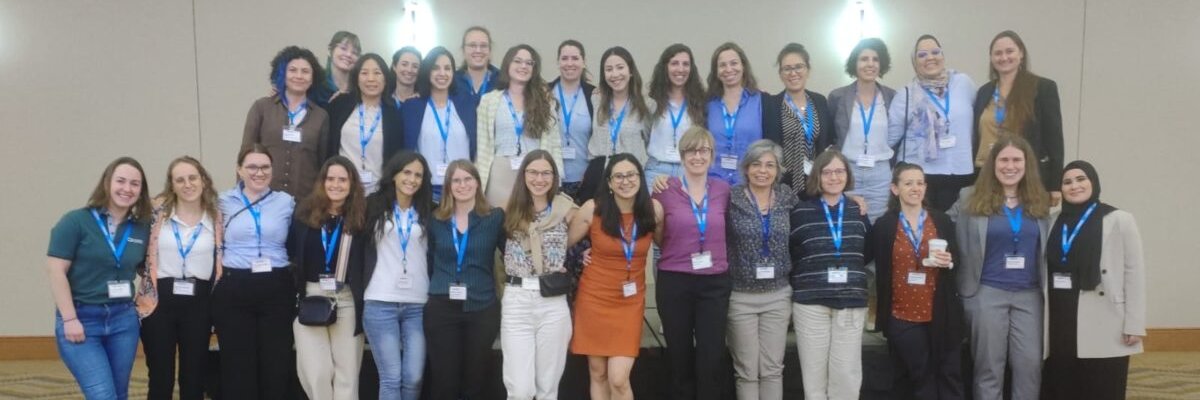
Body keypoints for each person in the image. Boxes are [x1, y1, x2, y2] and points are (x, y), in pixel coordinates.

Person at [948, 135, 1051, 400]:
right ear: (993, 164)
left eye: (1017, 160)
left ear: (1027, 164)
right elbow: (940, 226)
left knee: (1030, 366)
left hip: (1030, 296)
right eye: (1004, 159)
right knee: (988, 368)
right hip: (986, 292)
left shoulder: (1041, 201)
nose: (1010, 166)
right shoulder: (969, 197)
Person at [48, 157, 152, 400]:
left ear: (141, 191)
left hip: (123, 321)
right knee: (103, 395)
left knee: (119, 393)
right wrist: (70, 318)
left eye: (135, 184)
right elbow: (55, 271)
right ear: (107, 183)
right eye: (121, 181)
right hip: (82, 319)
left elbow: (145, 266)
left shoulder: (141, 228)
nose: (127, 189)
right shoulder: (76, 221)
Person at [1041, 161, 1145, 400]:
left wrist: (1135, 324)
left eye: (1081, 179)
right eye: (1067, 182)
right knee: (1063, 383)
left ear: (1093, 183)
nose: (1074, 186)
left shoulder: (1119, 219)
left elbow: (1134, 273)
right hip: (1060, 317)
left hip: (1104, 317)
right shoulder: (1052, 221)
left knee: (1101, 385)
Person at [568, 154, 664, 400]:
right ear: (609, 183)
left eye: (631, 175)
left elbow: (666, 245)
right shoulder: (593, 208)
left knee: (619, 379)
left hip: (629, 303)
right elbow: (563, 244)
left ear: (640, 178)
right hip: (594, 298)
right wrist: (581, 255)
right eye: (618, 176)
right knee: (598, 373)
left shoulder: (653, 211)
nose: (625, 181)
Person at [649, 127, 732, 400]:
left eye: (704, 150)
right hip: (675, 282)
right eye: (691, 151)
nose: (698, 156)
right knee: (679, 356)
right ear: (682, 156)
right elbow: (656, 232)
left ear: (712, 154)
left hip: (714, 283)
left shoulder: (723, 190)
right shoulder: (664, 189)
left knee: (711, 357)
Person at [871, 163, 964, 399]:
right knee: (920, 375)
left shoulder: (941, 221)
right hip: (902, 315)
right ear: (895, 188)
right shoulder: (884, 226)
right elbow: (867, 258)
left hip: (940, 313)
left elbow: (958, 260)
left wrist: (949, 261)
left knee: (947, 373)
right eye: (908, 183)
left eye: (920, 183)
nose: (916, 188)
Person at [212, 144, 298, 399]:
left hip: (276, 287)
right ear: (239, 170)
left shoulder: (287, 202)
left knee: (276, 361)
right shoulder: (222, 202)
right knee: (238, 363)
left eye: (264, 167)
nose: (258, 173)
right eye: (251, 167)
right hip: (234, 287)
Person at [788, 149, 873, 400]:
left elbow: (866, 252)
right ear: (817, 176)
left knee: (846, 374)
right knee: (813, 377)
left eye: (839, 171)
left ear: (847, 175)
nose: (834, 177)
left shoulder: (859, 211)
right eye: (827, 172)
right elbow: (792, 253)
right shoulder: (801, 211)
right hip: (810, 303)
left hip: (850, 302)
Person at [138, 156, 222, 400]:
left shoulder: (217, 217)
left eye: (193, 178)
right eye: (180, 180)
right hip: (159, 302)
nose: (188, 184)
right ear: (171, 185)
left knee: (194, 375)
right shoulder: (155, 214)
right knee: (161, 376)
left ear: (204, 180)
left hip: (200, 303)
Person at [354, 151, 436, 400]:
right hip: (380, 301)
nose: (411, 179)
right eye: (407, 172)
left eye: (418, 175)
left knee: (413, 377)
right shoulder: (372, 205)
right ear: (394, 175)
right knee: (391, 378)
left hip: (418, 304)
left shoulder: (430, 209)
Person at [500, 150, 580, 399]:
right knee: (520, 389)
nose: (539, 179)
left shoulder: (567, 209)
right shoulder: (507, 209)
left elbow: (586, 239)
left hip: (552, 302)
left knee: (548, 388)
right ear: (524, 174)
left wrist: (582, 257)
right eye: (533, 172)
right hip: (517, 301)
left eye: (546, 173)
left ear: (554, 177)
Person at [424, 160, 505, 400]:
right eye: (456, 180)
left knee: (476, 382)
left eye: (468, 179)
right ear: (448, 186)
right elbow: (428, 259)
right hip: (441, 309)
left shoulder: (494, 218)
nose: (463, 185)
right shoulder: (435, 220)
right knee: (444, 383)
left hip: (482, 308)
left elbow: (514, 251)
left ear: (478, 183)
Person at [289, 156, 367, 400]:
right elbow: (292, 255)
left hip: (346, 299)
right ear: (321, 182)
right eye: (330, 179)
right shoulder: (303, 215)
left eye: (343, 179)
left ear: (352, 184)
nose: (336, 184)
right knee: (317, 372)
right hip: (312, 296)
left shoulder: (362, 218)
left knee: (347, 373)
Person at [725, 139, 798, 400]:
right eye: (756, 164)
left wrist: (853, 196)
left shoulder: (788, 196)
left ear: (778, 171)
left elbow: (820, 200)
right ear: (746, 168)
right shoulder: (730, 197)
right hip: (741, 297)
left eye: (770, 165)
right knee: (746, 371)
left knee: (772, 370)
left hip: (778, 295)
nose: (762, 171)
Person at [889, 34, 978, 212]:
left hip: (959, 171)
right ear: (914, 62)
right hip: (921, 175)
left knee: (953, 232)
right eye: (922, 55)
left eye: (935, 52)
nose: (930, 58)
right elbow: (890, 139)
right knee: (924, 229)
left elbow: (979, 117)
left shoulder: (964, 83)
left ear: (943, 56)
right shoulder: (906, 94)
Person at [974, 30, 1064, 204]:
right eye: (998, 53)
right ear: (991, 58)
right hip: (985, 175)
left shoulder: (1042, 88)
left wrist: (1054, 184)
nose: (1004, 57)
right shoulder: (984, 92)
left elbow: (1054, 139)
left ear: (1021, 53)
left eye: (1009, 51)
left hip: (1026, 177)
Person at [476, 44, 563, 208]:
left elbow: (554, 143)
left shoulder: (546, 101)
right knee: (499, 224)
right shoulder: (489, 101)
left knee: (530, 225)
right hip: (500, 172)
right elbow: (483, 146)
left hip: (534, 174)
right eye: (517, 61)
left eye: (529, 63)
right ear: (507, 64)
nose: (523, 66)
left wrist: (557, 180)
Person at [241, 46, 331, 198]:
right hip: (263, 198)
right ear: (282, 73)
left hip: (305, 203)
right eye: (293, 70)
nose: (299, 76)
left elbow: (323, 164)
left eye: (305, 71)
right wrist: (241, 194)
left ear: (313, 77)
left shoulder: (321, 116)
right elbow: (245, 154)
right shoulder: (262, 108)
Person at [828, 38, 897, 222]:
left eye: (875, 59)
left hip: (880, 172)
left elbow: (897, 135)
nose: (870, 64)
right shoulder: (838, 96)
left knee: (878, 223)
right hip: (849, 170)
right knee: (848, 221)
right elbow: (832, 135)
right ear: (855, 63)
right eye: (864, 58)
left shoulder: (891, 96)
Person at [401, 46, 478, 200]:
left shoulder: (469, 104)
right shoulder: (412, 107)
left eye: (447, 68)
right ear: (427, 72)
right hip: (425, 190)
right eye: (435, 68)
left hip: (462, 187)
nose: (442, 73)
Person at [763, 43, 836, 200]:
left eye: (798, 67)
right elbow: (768, 144)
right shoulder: (772, 104)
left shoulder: (820, 101)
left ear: (807, 70)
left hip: (816, 180)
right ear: (780, 74)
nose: (793, 73)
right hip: (782, 182)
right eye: (787, 68)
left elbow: (829, 140)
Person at [580, 47, 651, 204]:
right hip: (598, 172)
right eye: (609, 69)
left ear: (630, 71)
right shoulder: (596, 99)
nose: (615, 74)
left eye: (620, 67)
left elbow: (650, 142)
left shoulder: (647, 104)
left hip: (628, 176)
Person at [327, 53, 404, 194]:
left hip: (378, 192)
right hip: (341, 190)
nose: (371, 79)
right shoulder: (339, 105)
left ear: (385, 79)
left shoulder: (394, 114)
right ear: (356, 78)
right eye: (364, 73)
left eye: (377, 73)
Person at [645, 43, 707, 183]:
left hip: (689, 170)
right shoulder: (651, 101)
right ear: (665, 67)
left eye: (686, 64)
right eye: (674, 63)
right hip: (655, 172)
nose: (680, 69)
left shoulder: (701, 102)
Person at [705, 42, 764, 186]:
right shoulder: (707, 104)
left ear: (743, 66)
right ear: (716, 71)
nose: (728, 69)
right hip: (713, 182)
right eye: (722, 65)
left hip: (750, 182)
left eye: (734, 63)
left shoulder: (761, 101)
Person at [549, 39, 597, 198]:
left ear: (583, 62)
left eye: (575, 58)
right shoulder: (544, 93)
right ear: (558, 62)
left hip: (585, 178)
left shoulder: (595, 95)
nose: (570, 63)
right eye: (564, 58)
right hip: (550, 179)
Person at [453, 26, 500, 101]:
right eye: (472, 45)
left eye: (483, 46)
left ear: (490, 51)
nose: (478, 50)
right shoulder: (452, 81)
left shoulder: (502, 81)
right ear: (463, 50)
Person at [324, 31, 362, 100]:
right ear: (330, 50)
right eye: (343, 48)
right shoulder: (317, 84)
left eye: (354, 52)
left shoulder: (360, 87)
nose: (349, 55)